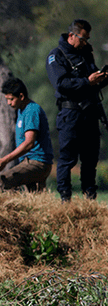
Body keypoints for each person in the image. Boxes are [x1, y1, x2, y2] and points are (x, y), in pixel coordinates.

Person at [46, 19, 108, 202]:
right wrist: (87, 82)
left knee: (90, 161)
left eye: (87, 39)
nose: (85, 42)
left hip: (90, 114)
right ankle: (66, 199)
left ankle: (90, 199)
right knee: (67, 159)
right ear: (71, 35)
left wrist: (102, 78)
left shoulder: (86, 54)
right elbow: (61, 84)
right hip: (70, 114)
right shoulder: (57, 55)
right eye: (83, 38)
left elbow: (94, 83)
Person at [0, 77, 54, 191]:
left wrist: (5, 160)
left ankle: (7, 208)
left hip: (36, 162)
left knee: (1, 182)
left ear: (21, 96)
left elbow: (29, 143)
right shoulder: (22, 110)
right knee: (34, 199)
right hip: (29, 162)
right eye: (7, 99)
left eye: (11, 99)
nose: (8, 103)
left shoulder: (32, 111)